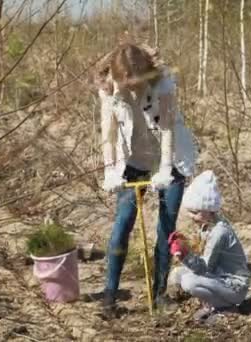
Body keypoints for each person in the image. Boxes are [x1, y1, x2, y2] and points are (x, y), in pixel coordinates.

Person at [94, 42, 198, 317]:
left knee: (166, 225)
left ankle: (160, 293)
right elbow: (109, 133)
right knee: (123, 222)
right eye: (124, 82)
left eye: (134, 82)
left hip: (171, 157)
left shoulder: (163, 85)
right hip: (133, 159)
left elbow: (166, 129)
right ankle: (109, 296)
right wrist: (109, 171)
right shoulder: (108, 89)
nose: (130, 88)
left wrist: (164, 169)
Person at [167, 170, 250, 322]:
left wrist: (184, 253)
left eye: (195, 212)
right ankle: (213, 304)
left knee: (188, 282)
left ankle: (225, 308)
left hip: (234, 286)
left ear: (209, 209)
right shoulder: (209, 225)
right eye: (190, 212)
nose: (192, 216)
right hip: (221, 277)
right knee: (178, 273)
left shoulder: (219, 232)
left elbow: (204, 267)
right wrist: (184, 243)